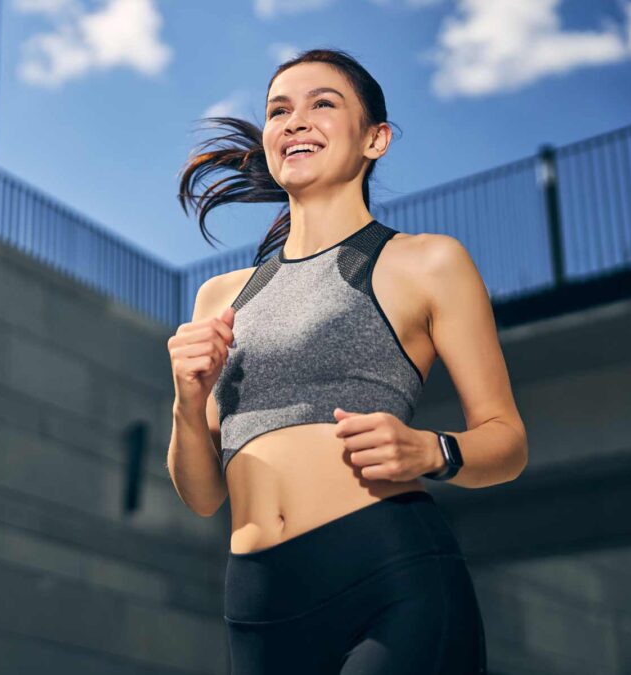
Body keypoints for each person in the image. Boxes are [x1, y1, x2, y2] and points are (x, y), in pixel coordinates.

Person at [166, 48, 528, 674]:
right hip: (258, 603)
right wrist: (186, 399)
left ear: (375, 139)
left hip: (388, 577)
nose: (295, 120)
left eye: (322, 104)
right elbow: (201, 496)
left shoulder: (426, 262)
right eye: (280, 110)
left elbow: (508, 441)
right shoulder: (221, 296)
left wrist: (431, 451)